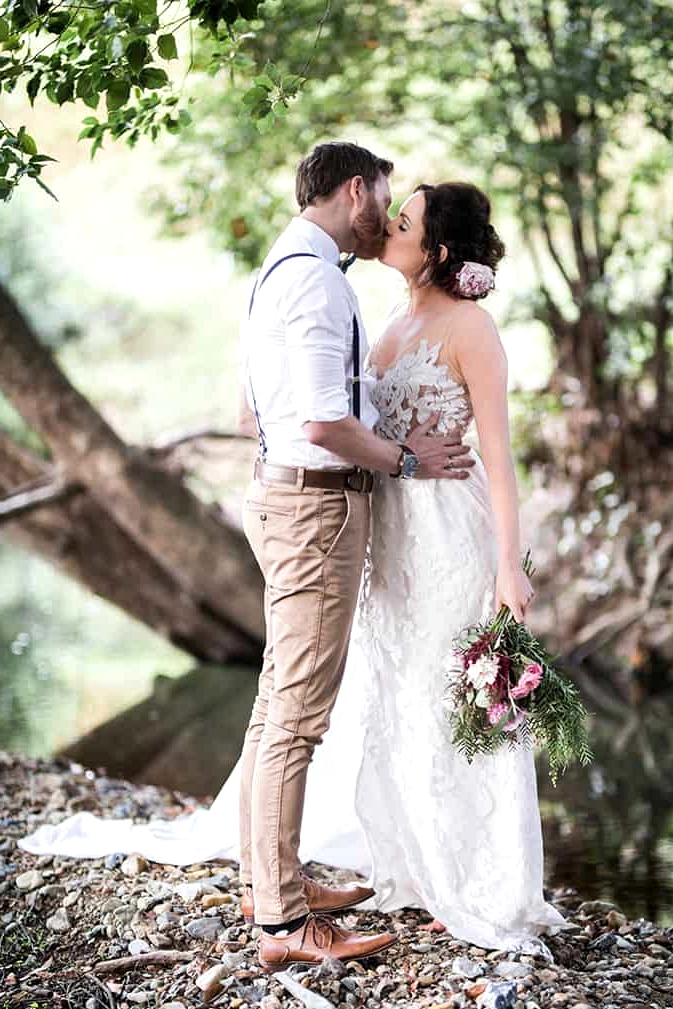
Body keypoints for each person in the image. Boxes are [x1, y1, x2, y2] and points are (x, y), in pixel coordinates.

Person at [20, 158, 566, 956]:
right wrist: (391, 458)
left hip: (447, 534)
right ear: (355, 193)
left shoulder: (463, 328)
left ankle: (478, 873)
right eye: (390, 210)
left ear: (440, 254)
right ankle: (372, 875)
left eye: (405, 223)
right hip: (381, 527)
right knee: (386, 694)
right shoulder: (371, 311)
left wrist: (508, 563)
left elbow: (497, 454)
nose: (388, 225)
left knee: (446, 691)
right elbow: (309, 417)